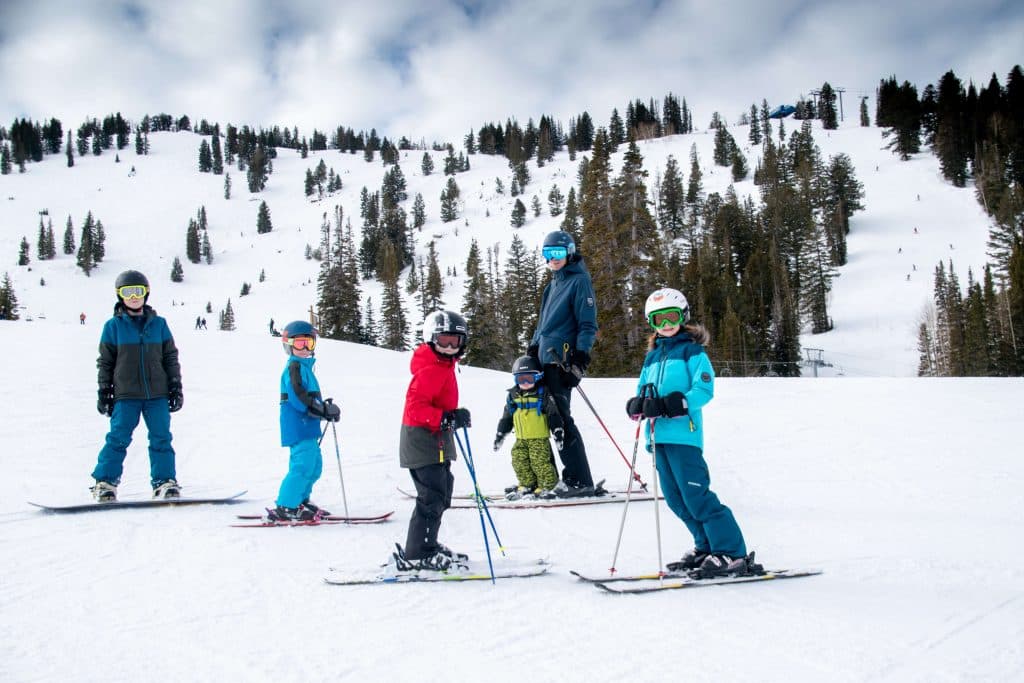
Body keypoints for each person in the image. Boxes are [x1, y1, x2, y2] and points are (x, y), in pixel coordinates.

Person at [625, 288, 759, 578]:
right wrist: (637, 405)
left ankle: (731, 553)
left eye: (671, 317)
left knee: (697, 497)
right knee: (676, 499)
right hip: (658, 438)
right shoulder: (652, 358)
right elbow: (642, 391)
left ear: (683, 316)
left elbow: (704, 389)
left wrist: (679, 402)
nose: (666, 324)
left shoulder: (693, 352)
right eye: (658, 320)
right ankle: (706, 546)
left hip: (684, 436)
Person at [91, 270, 183, 501]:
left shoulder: (159, 325)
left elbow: (170, 357)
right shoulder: (113, 327)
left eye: (138, 291)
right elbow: (106, 361)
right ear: (120, 295)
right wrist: (105, 390)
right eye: (128, 292)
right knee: (118, 437)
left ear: (146, 294)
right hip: (126, 394)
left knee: (161, 437)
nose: (134, 297)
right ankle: (105, 482)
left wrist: (175, 385)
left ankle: (164, 481)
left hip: (157, 394)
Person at [392, 310, 472, 572]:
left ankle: (428, 544)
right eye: (443, 341)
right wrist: (445, 418)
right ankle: (418, 554)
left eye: (455, 342)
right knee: (431, 497)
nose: (449, 348)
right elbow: (415, 408)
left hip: (435, 440)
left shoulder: (442, 366)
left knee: (441, 492)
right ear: (431, 339)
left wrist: (452, 417)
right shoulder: (430, 370)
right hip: (423, 440)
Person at [527, 230, 599, 497]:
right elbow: (543, 325)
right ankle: (550, 477)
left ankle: (580, 481)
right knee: (544, 417)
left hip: (562, 361)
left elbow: (588, 324)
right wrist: (534, 348)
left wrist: (580, 359)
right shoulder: (552, 285)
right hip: (545, 359)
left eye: (557, 253)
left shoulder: (579, 282)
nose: (553, 259)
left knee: (561, 419)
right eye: (548, 254)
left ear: (569, 252)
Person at [269, 320, 340, 521]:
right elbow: (299, 397)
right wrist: (322, 409)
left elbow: (309, 397)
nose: (305, 348)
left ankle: (300, 499)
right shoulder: (294, 367)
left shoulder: (304, 367)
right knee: (303, 465)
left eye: (310, 343)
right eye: (300, 344)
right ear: (288, 345)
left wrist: (324, 410)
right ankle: (286, 505)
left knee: (314, 465)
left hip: (307, 425)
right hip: (297, 424)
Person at [493, 355, 563, 500]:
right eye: (520, 379)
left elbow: (553, 414)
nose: (524, 382)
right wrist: (501, 434)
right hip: (521, 438)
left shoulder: (542, 394)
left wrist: (557, 431)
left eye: (529, 379)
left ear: (538, 377)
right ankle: (528, 484)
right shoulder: (513, 395)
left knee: (540, 462)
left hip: (538, 437)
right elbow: (507, 416)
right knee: (518, 459)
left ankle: (548, 485)